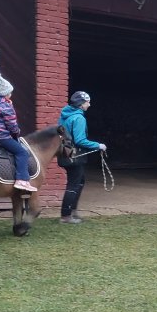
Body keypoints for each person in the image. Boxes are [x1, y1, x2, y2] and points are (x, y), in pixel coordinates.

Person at [0, 70, 37, 191]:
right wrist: (16, 133)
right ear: (4, 94)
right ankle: (22, 180)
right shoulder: (5, 106)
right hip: (0, 137)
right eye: (9, 92)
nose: (11, 94)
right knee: (22, 152)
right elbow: (12, 125)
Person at [57, 91, 107, 223]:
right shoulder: (79, 118)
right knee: (74, 184)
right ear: (81, 104)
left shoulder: (64, 116)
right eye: (87, 102)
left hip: (64, 154)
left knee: (79, 181)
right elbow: (80, 140)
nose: (89, 105)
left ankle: (72, 212)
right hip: (75, 156)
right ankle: (66, 216)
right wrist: (98, 145)